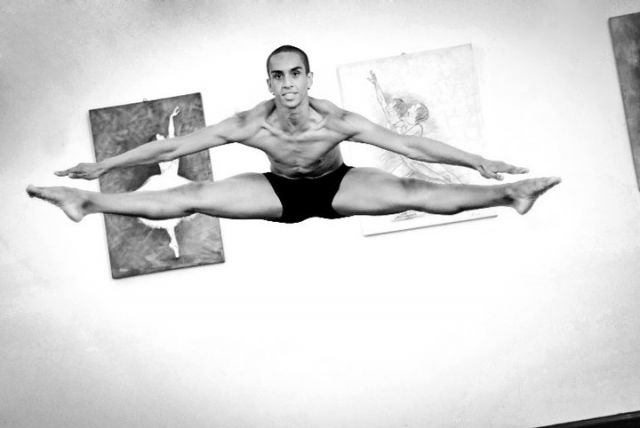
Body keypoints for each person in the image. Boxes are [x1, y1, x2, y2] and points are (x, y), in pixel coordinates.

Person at [27, 45, 560, 225]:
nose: (287, 84)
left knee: (414, 190)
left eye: (295, 74)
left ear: (308, 79)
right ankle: (86, 202)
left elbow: (411, 145)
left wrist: (476, 160)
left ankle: (509, 194)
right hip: (277, 190)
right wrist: (104, 166)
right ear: (270, 82)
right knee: (192, 196)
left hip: (339, 185)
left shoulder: (337, 121)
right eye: (277, 76)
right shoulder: (251, 123)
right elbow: (172, 147)